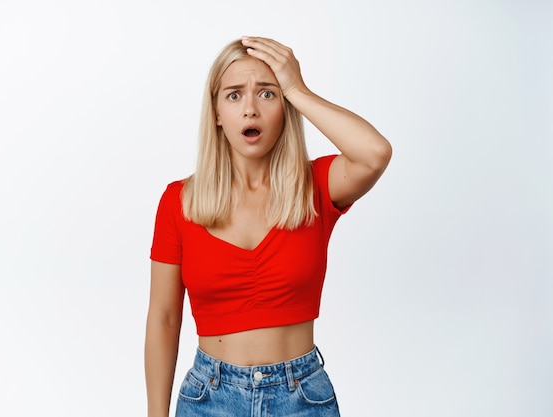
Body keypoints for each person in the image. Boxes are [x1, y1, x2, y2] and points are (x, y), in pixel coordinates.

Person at [145, 36, 392, 417]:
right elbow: (164, 319)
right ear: (215, 113)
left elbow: (374, 154)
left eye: (267, 94)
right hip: (209, 399)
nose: (250, 110)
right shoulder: (179, 202)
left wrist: (296, 87)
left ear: (285, 107)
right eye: (233, 95)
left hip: (302, 398)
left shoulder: (315, 188)